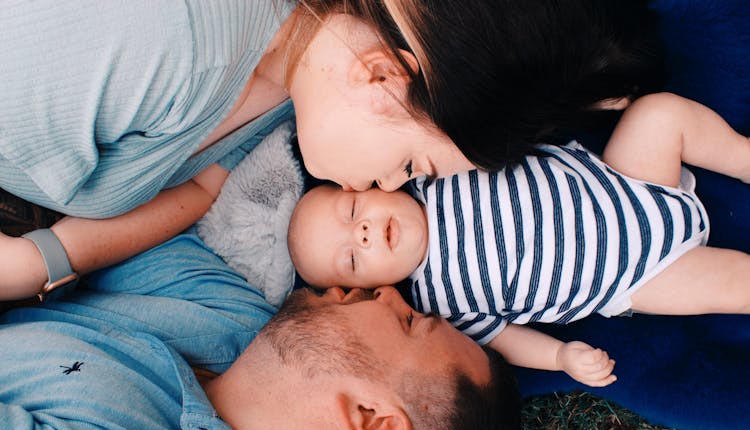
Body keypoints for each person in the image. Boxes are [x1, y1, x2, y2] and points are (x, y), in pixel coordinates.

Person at [0, 0, 663, 302]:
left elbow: (200, 191)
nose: (391, 185)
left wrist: (42, 261)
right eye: (413, 166)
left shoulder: (302, 84)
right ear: (380, 78)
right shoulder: (161, 43)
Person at [0, 231, 522, 430]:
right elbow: (129, 220)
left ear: (371, 418)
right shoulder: (247, 330)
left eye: (408, 322)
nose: (388, 293)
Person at [288, 92, 750, 387]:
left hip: (623, 177)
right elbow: (506, 339)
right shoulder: (441, 307)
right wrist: (559, 357)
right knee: (732, 286)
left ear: (373, 185)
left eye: (352, 213)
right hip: (634, 274)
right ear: (373, 289)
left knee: (658, 114)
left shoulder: (434, 170)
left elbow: (507, 124)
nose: (364, 233)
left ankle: (741, 157)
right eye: (352, 257)